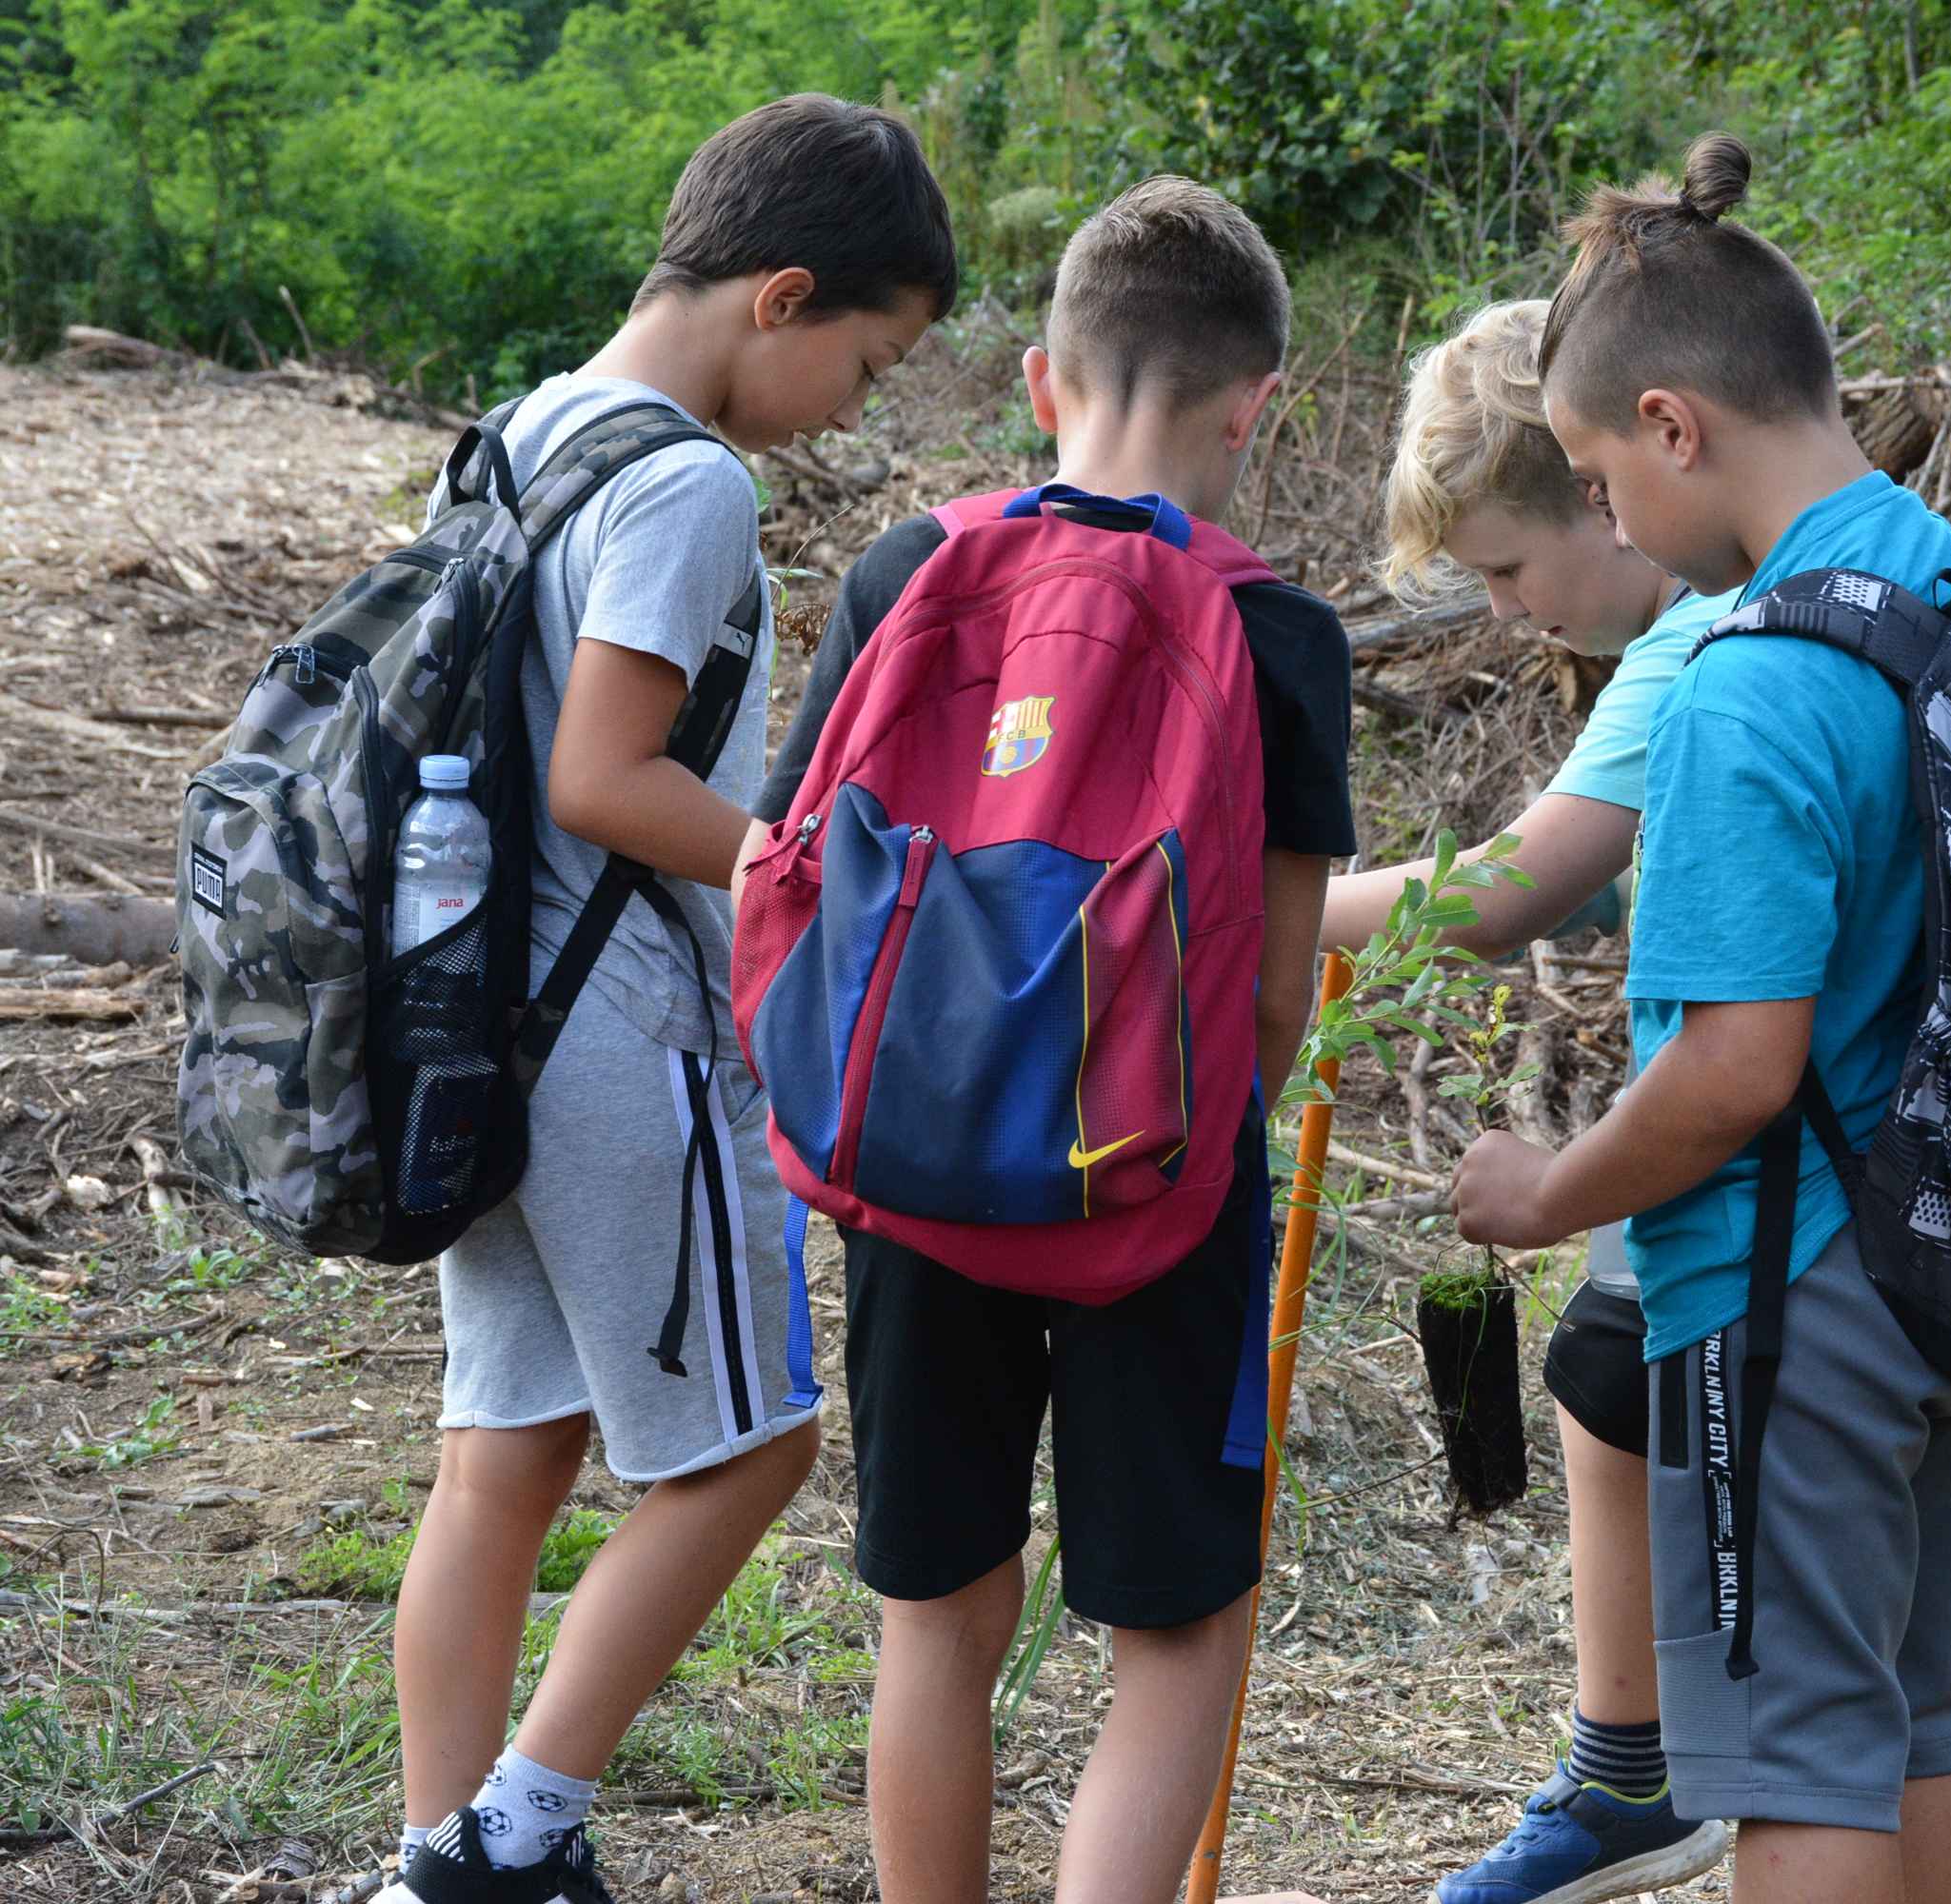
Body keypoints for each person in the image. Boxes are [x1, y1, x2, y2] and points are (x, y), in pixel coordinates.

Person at [742, 176, 1356, 1904]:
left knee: (937, 1620)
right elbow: (1271, 1000)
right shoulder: (1278, 634)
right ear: (1259, 407)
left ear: (1038, 381)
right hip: (1152, 1191)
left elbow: (788, 869)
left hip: (914, 1168)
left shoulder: (905, 569)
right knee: (1180, 1630)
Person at [1449, 134, 1951, 1904]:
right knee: (1921, 1710)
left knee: (1795, 1772)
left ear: (1674, 424)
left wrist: (1548, 1196)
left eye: (1594, 472)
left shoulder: (1740, 679)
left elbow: (1733, 1069)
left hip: (1792, 1298)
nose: (1606, 517)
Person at [387, 94, 955, 1904]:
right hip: (618, 1035)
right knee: (757, 1448)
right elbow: (604, 777)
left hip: (475, 1024)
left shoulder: (519, 429)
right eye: (868, 361)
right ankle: (515, 1832)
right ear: (781, 296)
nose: (857, 409)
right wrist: (822, 864)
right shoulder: (689, 478)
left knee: (508, 1454)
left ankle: (436, 1858)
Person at [1321, 297, 1735, 1904]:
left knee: (1646, 1386)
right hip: (1778, 1122)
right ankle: (1629, 1760)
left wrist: (1263, 917)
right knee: (1600, 1362)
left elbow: (1510, 889)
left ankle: (1659, 1766)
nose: (1503, 611)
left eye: (1506, 568)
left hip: (1767, 1140)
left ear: (1608, 490)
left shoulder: (1696, 631)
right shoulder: (1706, 621)